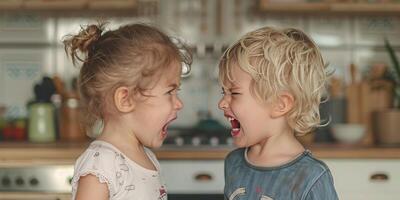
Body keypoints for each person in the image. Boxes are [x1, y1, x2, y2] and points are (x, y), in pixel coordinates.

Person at [63, 22, 191, 200]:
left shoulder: (147, 157)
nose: (179, 104)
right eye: (169, 92)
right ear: (126, 99)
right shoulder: (101, 165)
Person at [218, 26, 338, 200]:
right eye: (224, 92)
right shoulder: (233, 163)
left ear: (280, 104)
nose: (221, 103)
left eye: (234, 93)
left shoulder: (312, 177)